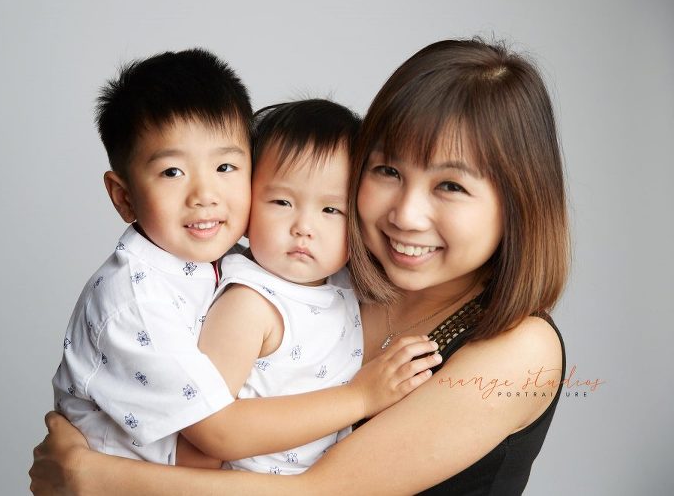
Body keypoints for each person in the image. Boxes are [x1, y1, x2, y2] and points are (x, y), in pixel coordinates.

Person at [31, 38, 569, 495]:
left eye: (450, 186)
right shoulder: (322, 283)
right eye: (386, 169)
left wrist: (95, 476)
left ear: (518, 201)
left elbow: (319, 493)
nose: (405, 214)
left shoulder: (520, 351)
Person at [53, 51, 437, 468]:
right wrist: (362, 396)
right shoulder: (139, 302)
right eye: (172, 172)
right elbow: (212, 439)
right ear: (124, 197)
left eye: (224, 166)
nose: (205, 195)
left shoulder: (244, 261)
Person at [183, 99, 439, 475]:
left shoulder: (343, 285)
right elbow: (199, 432)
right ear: (247, 201)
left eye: (331, 210)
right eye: (282, 201)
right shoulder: (249, 304)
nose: (303, 226)